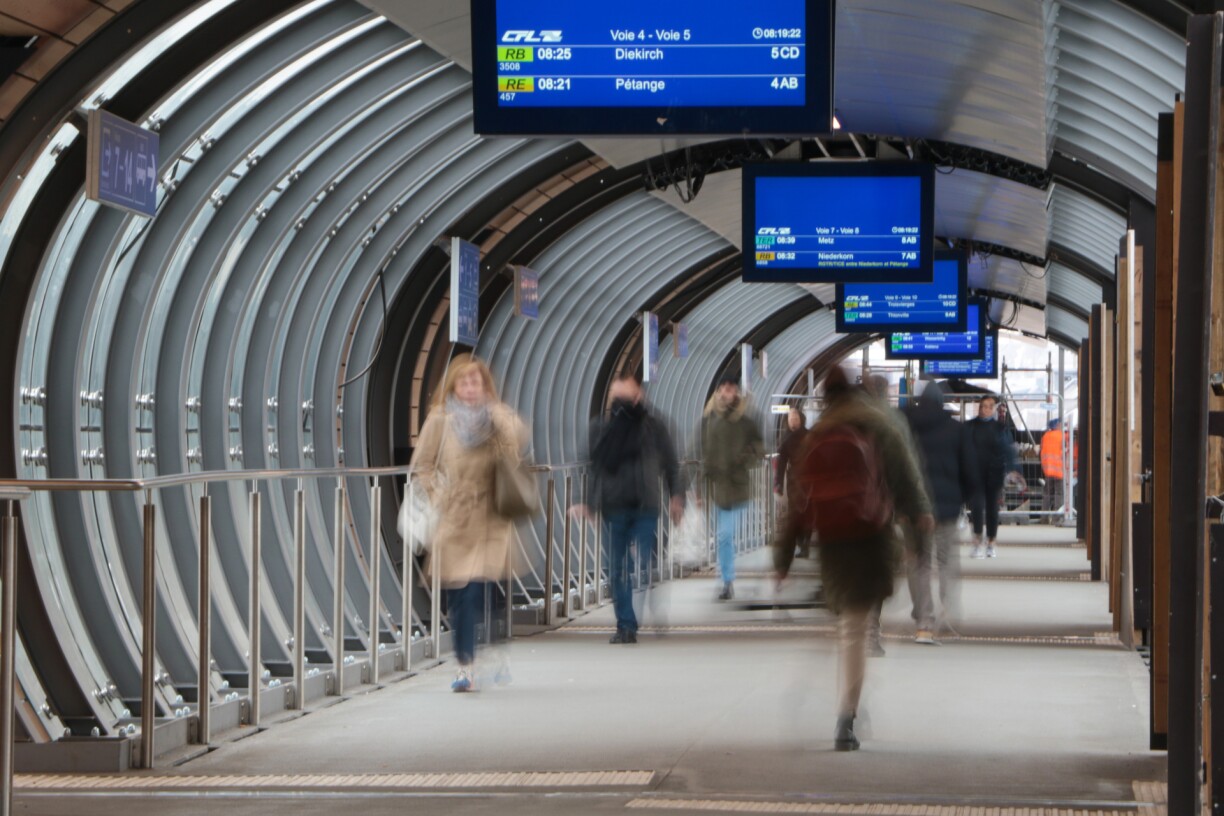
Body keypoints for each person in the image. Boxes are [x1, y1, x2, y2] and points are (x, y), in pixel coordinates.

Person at [805, 367, 932, 751]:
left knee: (847, 627)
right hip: (871, 536)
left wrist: (783, 555)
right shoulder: (879, 423)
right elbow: (906, 477)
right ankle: (847, 716)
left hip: (831, 542)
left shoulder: (820, 429)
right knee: (857, 627)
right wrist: (918, 523)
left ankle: (848, 702)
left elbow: (799, 496)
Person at [411, 355, 528, 692]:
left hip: (491, 516)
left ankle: (488, 652)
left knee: (482, 587)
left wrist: (496, 416)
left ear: (485, 385)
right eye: (464, 382)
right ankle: (465, 665)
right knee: (461, 595)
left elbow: (517, 446)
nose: (470, 388)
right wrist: (438, 496)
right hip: (456, 517)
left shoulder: (498, 416)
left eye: (476, 382)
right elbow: (423, 465)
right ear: (454, 387)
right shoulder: (441, 420)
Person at [584, 373, 684, 644]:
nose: (619, 402)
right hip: (614, 506)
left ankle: (652, 602)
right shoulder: (601, 428)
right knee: (617, 567)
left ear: (639, 394)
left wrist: (676, 495)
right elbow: (594, 468)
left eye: (625, 395)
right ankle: (626, 625)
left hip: (645, 505)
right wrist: (590, 503)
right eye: (615, 397)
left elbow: (671, 464)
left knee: (646, 563)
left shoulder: (653, 427)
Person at [904, 382, 979, 643]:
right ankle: (947, 615)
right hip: (947, 507)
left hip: (916, 506)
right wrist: (965, 499)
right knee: (946, 561)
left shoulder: (907, 427)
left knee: (919, 562)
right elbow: (970, 469)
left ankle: (924, 622)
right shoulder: (956, 430)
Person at [702, 374, 765, 601]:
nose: (727, 393)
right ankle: (727, 580)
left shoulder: (747, 422)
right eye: (723, 389)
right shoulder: (710, 420)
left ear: (736, 392)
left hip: (738, 487)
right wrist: (700, 487)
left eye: (730, 389)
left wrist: (744, 459)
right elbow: (705, 453)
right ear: (718, 392)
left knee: (725, 534)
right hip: (719, 488)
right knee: (724, 536)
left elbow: (760, 449)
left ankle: (727, 579)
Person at [965, 394, 1024, 558]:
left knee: (992, 509)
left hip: (994, 475)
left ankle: (991, 542)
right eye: (983, 406)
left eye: (989, 407)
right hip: (976, 474)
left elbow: (1008, 450)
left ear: (993, 409)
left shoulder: (1000, 428)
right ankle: (977, 541)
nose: (985, 409)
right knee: (976, 507)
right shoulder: (970, 426)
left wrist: (1014, 469)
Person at [772, 406, 810, 577]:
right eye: (790, 418)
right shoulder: (786, 439)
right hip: (794, 480)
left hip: (809, 479)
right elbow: (781, 464)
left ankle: (805, 543)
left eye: (795, 417)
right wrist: (778, 483)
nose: (793, 420)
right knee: (796, 511)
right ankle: (801, 543)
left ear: (801, 419)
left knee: (807, 510)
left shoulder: (809, 436)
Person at [1040, 418, 1067, 520]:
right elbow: (1065, 452)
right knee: (1059, 494)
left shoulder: (1045, 436)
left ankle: (1044, 518)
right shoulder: (1062, 436)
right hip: (1059, 471)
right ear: (1057, 425)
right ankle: (1057, 518)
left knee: (1047, 494)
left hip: (1048, 470)